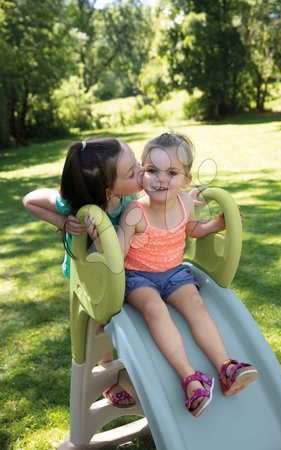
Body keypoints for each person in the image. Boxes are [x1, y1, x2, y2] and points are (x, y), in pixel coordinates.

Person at [23, 136, 205, 409]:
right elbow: (30, 200)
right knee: (100, 326)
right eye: (133, 171)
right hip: (92, 277)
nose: (141, 171)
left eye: (135, 163)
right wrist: (63, 221)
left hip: (123, 271)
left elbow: (157, 199)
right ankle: (109, 372)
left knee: (143, 315)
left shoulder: (129, 196)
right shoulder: (71, 202)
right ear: (109, 190)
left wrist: (184, 200)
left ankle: (143, 369)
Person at [115, 132, 259, 417]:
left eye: (171, 173)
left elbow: (190, 229)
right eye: (152, 171)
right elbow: (117, 256)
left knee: (195, 304)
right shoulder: (134, 212)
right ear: (141, 172)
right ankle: (190, 378)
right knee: (155, 308)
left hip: (174, 273)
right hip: (138, 277)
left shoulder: (185, 204)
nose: (161, 179)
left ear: (186, 180)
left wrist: (215, 225)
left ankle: (225, 367)